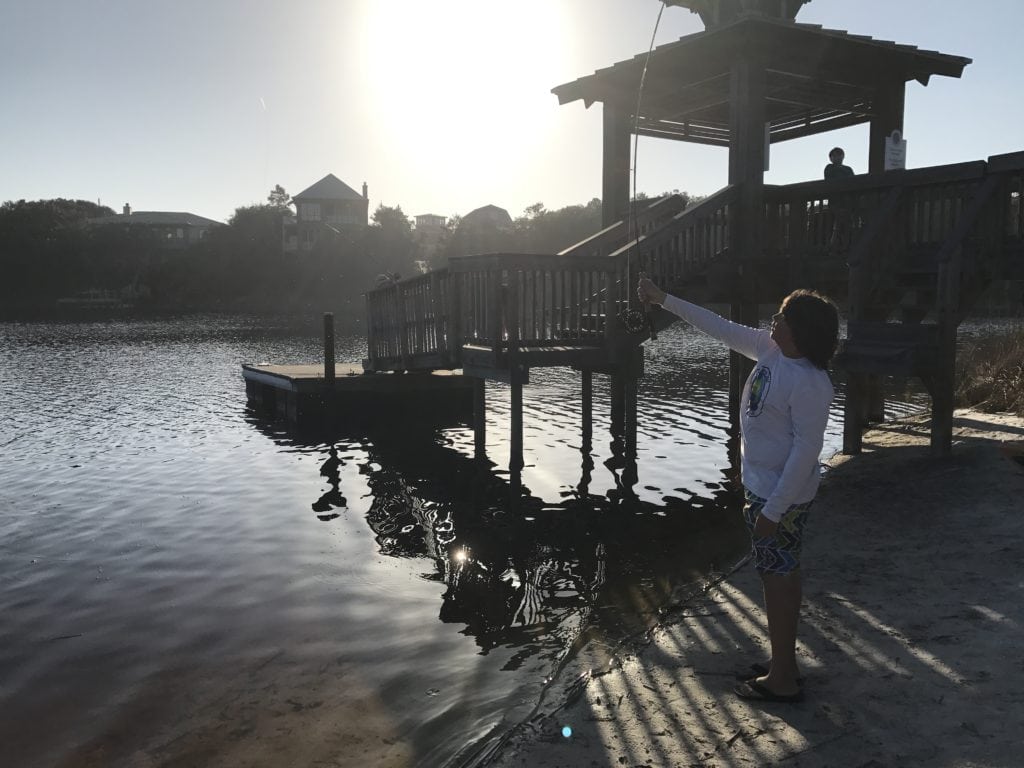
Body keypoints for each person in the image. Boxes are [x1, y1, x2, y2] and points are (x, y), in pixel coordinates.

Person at [637, 275, 839, 704]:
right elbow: (718, 326)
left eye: (782, 317)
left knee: (778, 577)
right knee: (777, 574)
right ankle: (783, 662)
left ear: (800, 332)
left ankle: (782, 679)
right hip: (765, 491)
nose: (774, 319)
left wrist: (774, 510)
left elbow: (807, 452)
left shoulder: (810, 382)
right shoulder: (772, 349)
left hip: (780, 499)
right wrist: (664, 299)